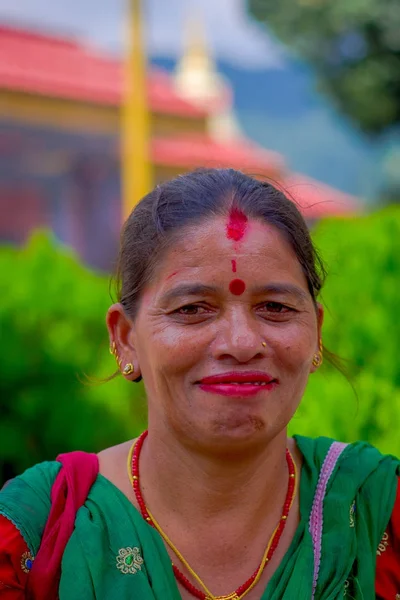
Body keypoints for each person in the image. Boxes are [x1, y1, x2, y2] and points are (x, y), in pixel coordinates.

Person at [0, 168, 399, 600]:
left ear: (317, 332)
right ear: (125, 337)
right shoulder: (37, 532)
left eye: (275, 307)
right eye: (193, 309)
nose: (242, 343)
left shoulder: (381, 514)